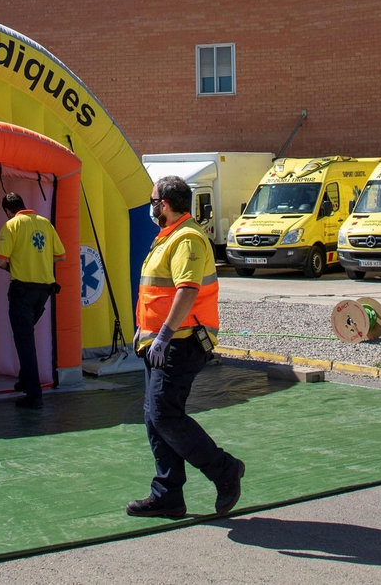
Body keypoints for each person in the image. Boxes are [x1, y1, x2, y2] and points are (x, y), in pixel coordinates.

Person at [126, 174, 244, 520]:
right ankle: (167, 495)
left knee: (164, 413)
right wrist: (146, 332)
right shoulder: (168, 237)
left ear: (164, 204)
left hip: (181, 342)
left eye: (152, 201)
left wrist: (162, 335)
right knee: (155, 418)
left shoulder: (188, 239)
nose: (151, 208)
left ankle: (225, 470)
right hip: (159, 342)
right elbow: (156, 293)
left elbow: (187, 290)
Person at [0, 191, 65, 409]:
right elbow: (60, 255)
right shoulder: (45, 223)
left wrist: (17, 265)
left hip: (22, 291)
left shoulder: (11, 226)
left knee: (24, 342)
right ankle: (25, 380)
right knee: (26, 334)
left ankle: (33, 395)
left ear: (8, 210)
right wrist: (39, 260)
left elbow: (0, 261)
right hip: (43, 291)